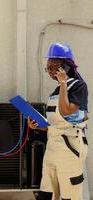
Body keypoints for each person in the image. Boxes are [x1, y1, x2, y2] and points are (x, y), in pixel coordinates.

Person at [28, 42, 88, 200]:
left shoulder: (78, 86)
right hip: (52, 147)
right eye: (48, 67)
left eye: (54, 66)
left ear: (66, 67)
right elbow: (56, 125)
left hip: (69, 146)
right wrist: (38, 126)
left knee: (70, 194)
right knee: (47, 192)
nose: (50, 71)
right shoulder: (56, 91)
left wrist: (63, 83)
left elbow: (66, 111)